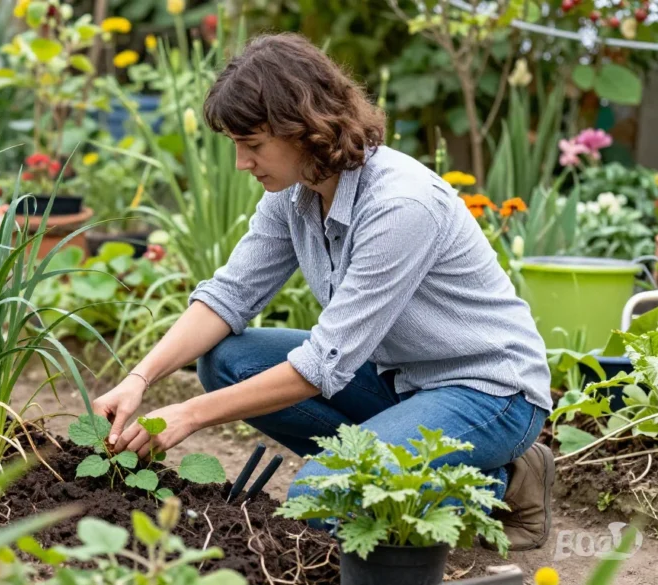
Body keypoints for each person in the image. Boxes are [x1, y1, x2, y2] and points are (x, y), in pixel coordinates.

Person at [91, 32, 554, 551]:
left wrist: (188, 415)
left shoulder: (401, 205)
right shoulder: (295, 194)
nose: (242, 162)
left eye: (253, 144)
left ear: (303, 129)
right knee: (228, 361)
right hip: (398, 377)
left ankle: (502, 481)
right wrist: (140, 378)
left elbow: (322, 365)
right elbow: (229, 295)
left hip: (488, 391)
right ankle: (398, 454)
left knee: (321, 493)